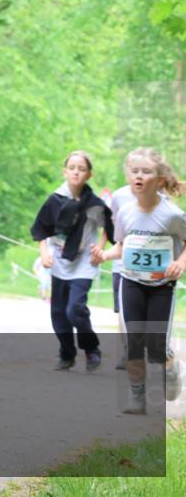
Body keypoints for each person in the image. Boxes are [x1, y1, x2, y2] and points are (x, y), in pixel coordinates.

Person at [95, 148, 186, 413]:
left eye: (146, 172)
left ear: (158, 180)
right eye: (135, 171)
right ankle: (137, 396)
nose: (139, 176)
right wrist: (104, 255)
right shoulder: (124, 212)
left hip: (161, 286)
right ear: (128, 175)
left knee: (156, 346)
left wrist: (179, 263)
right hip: (131, 280)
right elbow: (122, 246)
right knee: (134, 340)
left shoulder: (172, 215)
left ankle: (170, 366)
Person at [30, 151, 114, 372]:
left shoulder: (95, 204)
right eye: (72, 167)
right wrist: (44, 253)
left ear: (89, 174)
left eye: (82, 168)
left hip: (84, 263)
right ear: (65, 171)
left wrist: (100, 247)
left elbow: (110, 227)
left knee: (75, 309)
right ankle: (67, 354)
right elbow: (41, 229)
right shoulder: (55, 199)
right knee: (58, 312)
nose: (76, 172)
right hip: (58, 261)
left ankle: (91, 349)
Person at [108, 183, 136, 370]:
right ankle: (128, 351)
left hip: (150, 270)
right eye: (134, 170)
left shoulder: (160, 194)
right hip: (121, 265)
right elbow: (113, 230)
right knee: (123, 312)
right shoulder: (119, 196)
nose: (139, 175)